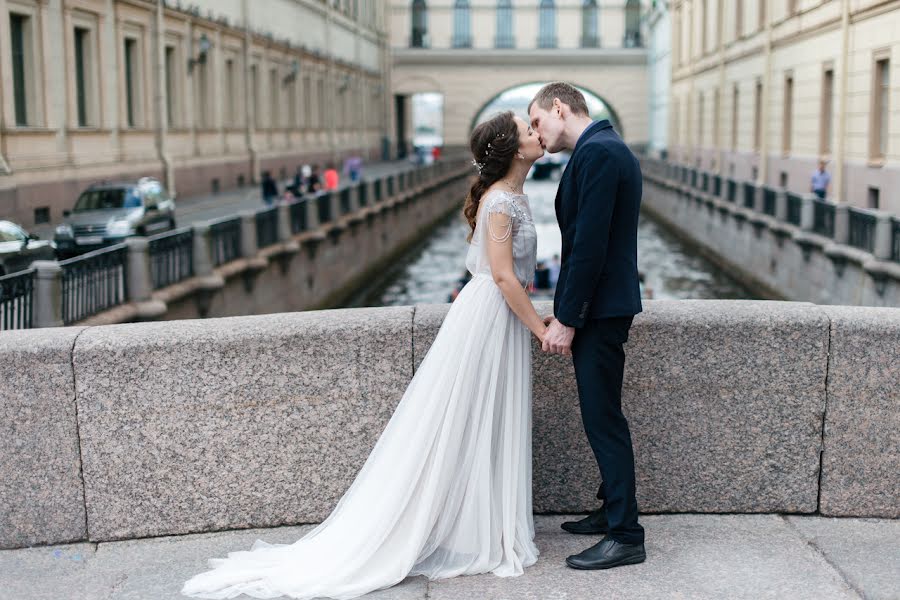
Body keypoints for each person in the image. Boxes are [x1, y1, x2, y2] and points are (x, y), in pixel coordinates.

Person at [182, 110, 547, 599]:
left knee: (487, 418)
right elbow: (503, 276)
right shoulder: (501, 201)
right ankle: (477, 529)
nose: (536, 133)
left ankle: (483, 525)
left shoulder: (510, 196)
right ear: (511, 149)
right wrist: (540, 327)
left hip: (496, 313)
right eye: (528, 131)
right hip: (490, 315)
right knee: (472, 417)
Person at [529, 82, 646, 570]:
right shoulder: (603, 147)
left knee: (604, 420)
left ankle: (625, 533)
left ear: (560, 108)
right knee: (603, 414)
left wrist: (569, 319)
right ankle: (608, 511)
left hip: (599, 310)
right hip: (601, 305)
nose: (536, 134)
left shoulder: (598, 153)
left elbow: (590, 246)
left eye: (537, 121)